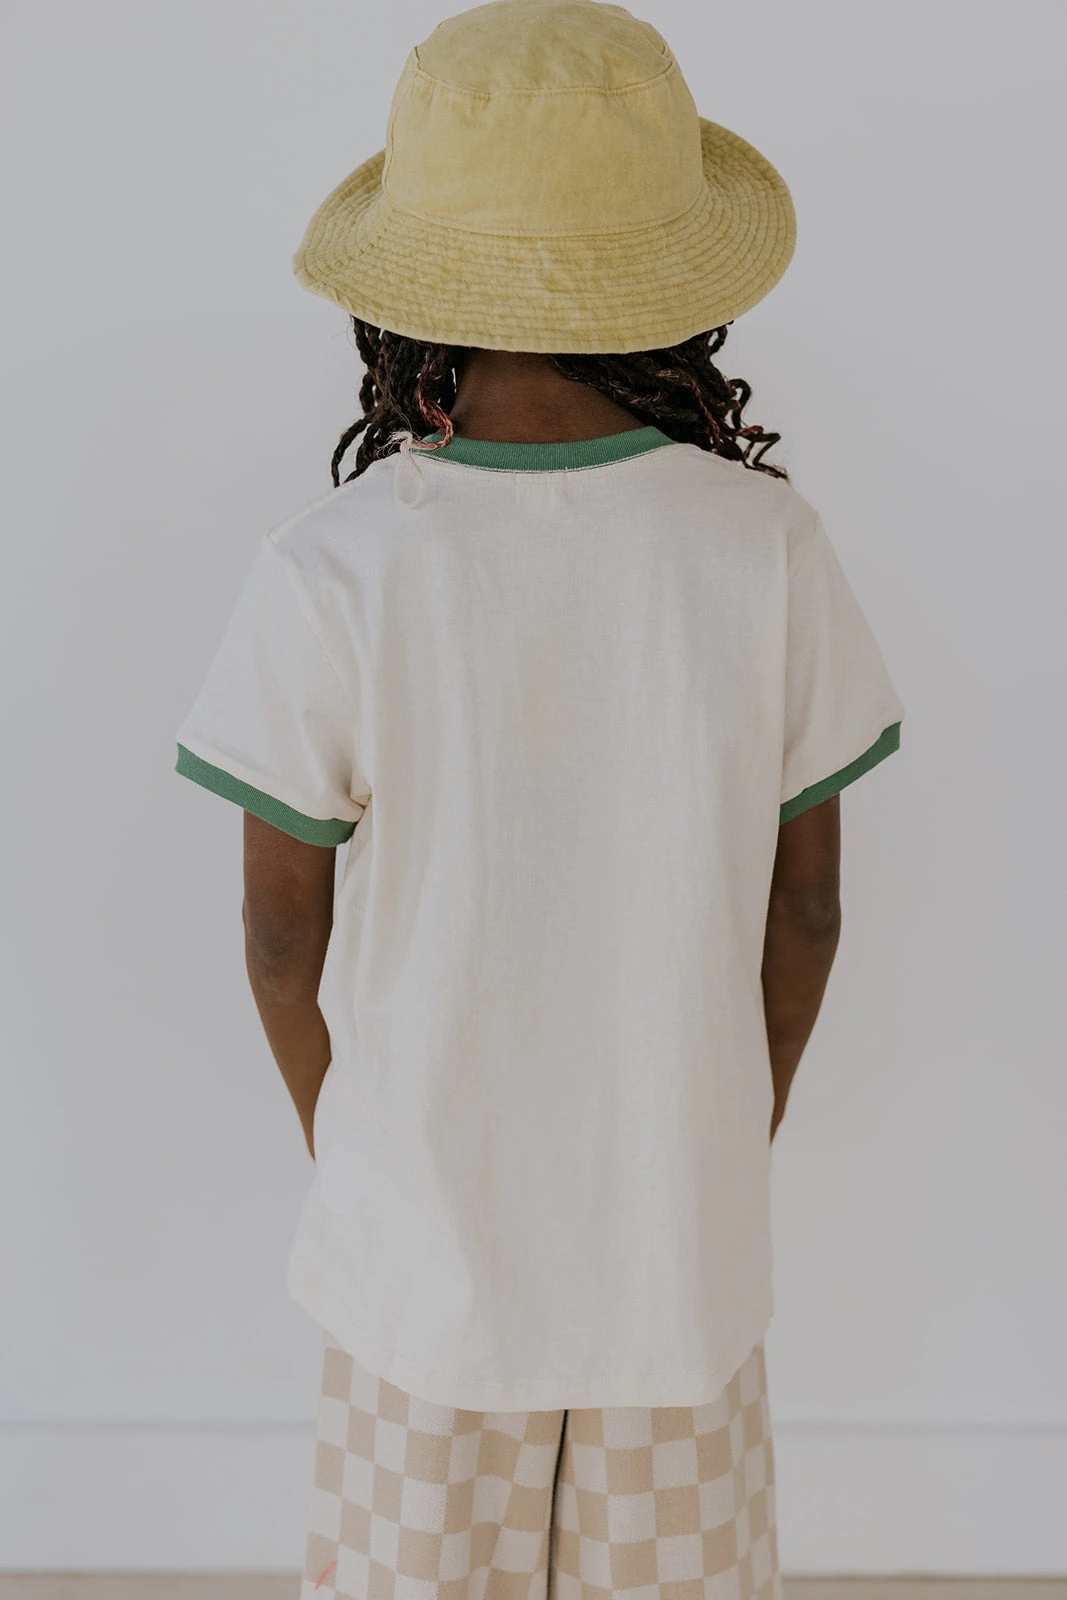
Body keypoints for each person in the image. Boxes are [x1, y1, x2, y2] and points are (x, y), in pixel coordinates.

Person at [173, 3, 905, 1596]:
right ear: (674, 279)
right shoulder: (763, 550)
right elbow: (808, 904)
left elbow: (281, 940)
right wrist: (727, 1122)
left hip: (422, 1258)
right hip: (673, 1241)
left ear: (409, 288)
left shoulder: (331, 569)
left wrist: (358, 1155)